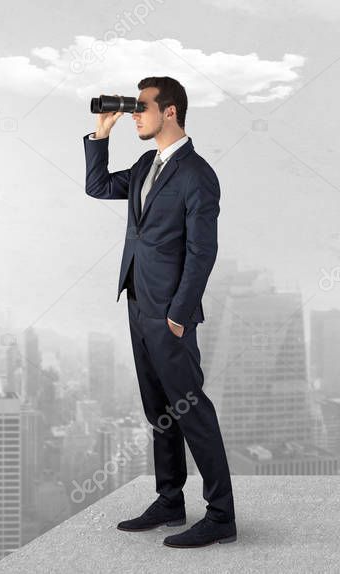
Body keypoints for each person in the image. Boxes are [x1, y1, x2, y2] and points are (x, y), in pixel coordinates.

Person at [82, 76, 237, 548]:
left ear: (170, 111)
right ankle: (170, 500)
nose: (135, 114)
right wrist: (100, 136)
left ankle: (221, 515)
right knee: (160, 410)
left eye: (142, 107)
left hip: (169, 311)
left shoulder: (197, 174)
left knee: (191, 410)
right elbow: (98, 186)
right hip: (137, 300)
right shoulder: (148, 162)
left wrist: (179, 313)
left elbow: (202, 252)